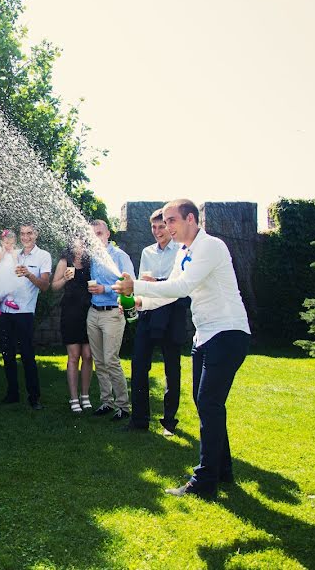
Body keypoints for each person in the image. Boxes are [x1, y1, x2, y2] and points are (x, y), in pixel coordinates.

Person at [113, 199, 250, 500]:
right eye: (165, 221)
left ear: (191, 218)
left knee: (209, 403)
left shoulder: (211, 246)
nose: (167, 227)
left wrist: (136, 286)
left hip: (228, 332)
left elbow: (182, 287)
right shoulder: (185, 252)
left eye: (172, 220)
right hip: (205, 335)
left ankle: (204, 482)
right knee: (206, 404)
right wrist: (139, 304)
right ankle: (222, 470)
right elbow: (170, 292)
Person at [125, 209, 189, 435]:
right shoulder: (146, 252)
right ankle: (139, 420)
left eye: (161, 226)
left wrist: (156, 281)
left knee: (172, 368)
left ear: (170, 227)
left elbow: (180, 283)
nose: (157, 231)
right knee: (139, 365)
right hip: (149, 313)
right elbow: (143, 282)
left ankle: (169, 422)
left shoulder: (182, 251)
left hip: (173, 314)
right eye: (153, 227)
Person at [0, 223, 52, 409]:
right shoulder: (14, 253)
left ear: (36, 234)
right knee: (7, 355)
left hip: (25, 313)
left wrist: (29, 274)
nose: (26, 237)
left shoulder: (43, 256)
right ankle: (12, 393)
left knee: (27, 355)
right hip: (5, 312)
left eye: (29, 233)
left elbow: (44, 286)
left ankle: (34, 397)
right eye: (22, 234)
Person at [86, 219, 135, 421]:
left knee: (111, 360)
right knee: (99, 361)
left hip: (113, 313)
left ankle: (123, 405)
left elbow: (130, 283)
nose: (96, 237)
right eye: (92, 234)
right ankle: (107, 402)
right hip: (94, 311)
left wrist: (104, 289)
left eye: (99, 233)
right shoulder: (94, 257)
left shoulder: (120, 256)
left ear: (107, 235)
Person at [51, 240, 93, 414]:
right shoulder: (64, 261)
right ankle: (74, 398)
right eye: (76, 242)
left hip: (89, 312)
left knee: (88, 355)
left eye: (83, 242)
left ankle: (85, 396)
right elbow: (53, 287)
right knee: (74, 356)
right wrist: (64, 278)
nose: (79, 245)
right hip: (70, 313)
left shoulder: (91, 262)